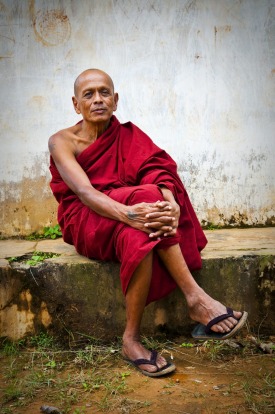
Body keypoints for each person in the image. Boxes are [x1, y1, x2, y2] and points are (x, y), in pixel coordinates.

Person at [49, 69, 248, 377]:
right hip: (87, 218)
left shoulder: (128, 135)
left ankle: (131, 340)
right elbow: (85, 193)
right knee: (143, 199)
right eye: (89, 94)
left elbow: (158, 168)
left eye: (104, 93)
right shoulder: (62, 141)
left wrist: (170, 205)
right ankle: (196, 297)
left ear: (115, 101)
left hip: (128, 215)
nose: (98, 99)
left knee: (137, 230)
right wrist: (132, 213)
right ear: (76, 104)